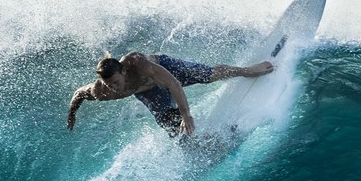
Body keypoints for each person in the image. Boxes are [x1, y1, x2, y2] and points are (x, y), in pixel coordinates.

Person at [67, 51, 274, 138]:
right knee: (169, 124)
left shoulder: (138, 63)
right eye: (109, 85)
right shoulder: (102, 91)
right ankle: (200, 143)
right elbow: (79, 94)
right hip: (148, 93)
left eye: (115, 82)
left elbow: (173, 83)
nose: (114, 88)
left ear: (123, 71)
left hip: (166, 71)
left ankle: (247, 70)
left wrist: (187, 114)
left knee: (206, 75)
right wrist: (72, 113)